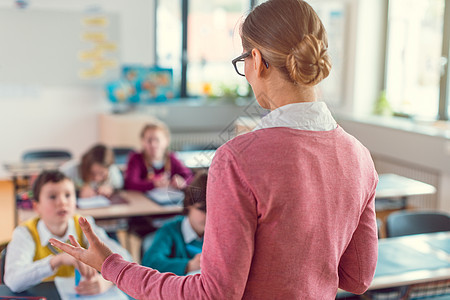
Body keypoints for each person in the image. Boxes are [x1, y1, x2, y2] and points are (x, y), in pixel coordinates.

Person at [50, 0, 378, 298]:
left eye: (243, 61)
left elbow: (214, 294)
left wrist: (112, 265)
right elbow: (357, 277)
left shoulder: (238, 159)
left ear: (258, 61)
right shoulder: (360, 157)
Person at [4, 170, 132, 294]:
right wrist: (56, 260)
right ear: (37, 206)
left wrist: (107, 282)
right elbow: (13, 281)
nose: (62, 202)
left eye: (68, 195)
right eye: (52, 197)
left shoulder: (84, 225)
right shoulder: (26, 233)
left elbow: (125, 258)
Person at [141, 172, 207, 275]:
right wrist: (188, 265)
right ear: (189, 203)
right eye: (203, 209)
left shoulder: (219, 233)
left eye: (214, 212)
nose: (208, 217)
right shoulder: (170, 231)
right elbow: (150, 262)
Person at [124, 121, 193, 192]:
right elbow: (130, 183)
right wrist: (153, 184)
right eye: (149, 140)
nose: (153, 144)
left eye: (157, 140)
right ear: (142, 141)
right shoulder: (136, 159)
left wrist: (183, 181)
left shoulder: (171, 159)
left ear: (166, 141)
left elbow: (190, 177)